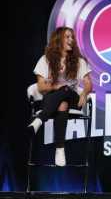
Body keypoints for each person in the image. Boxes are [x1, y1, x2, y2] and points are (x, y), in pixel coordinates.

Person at [27, 27, 92, 166]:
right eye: (67, 37)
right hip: (52, 99)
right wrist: (56, 87)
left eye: (72, 37)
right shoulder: (45, 60)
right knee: (62, 103)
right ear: (58, 39)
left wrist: (85, 93)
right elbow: (41, 87)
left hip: (73, 98)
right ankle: (60, 149)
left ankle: (39, 120)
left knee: (67, 90)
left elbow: (88, 83)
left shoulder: (79, 61)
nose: (71, 40)